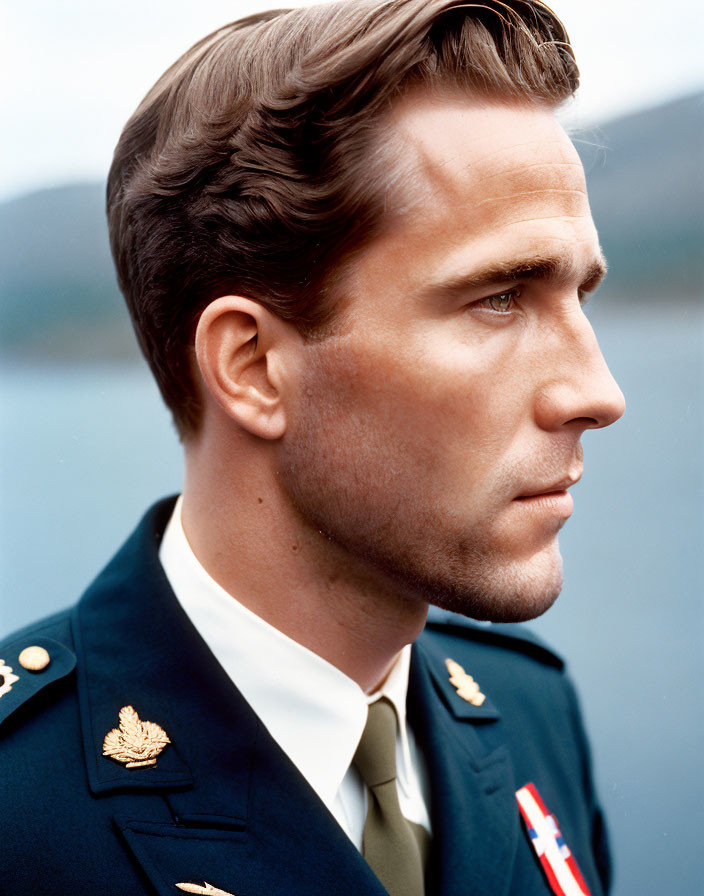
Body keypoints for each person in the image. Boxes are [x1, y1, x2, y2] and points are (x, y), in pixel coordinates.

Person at [0, 1, 625, 893]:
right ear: (253, 366)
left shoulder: (531, 711)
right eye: (499, 298)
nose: (599, 393)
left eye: (580, 296)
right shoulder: (17, 808)